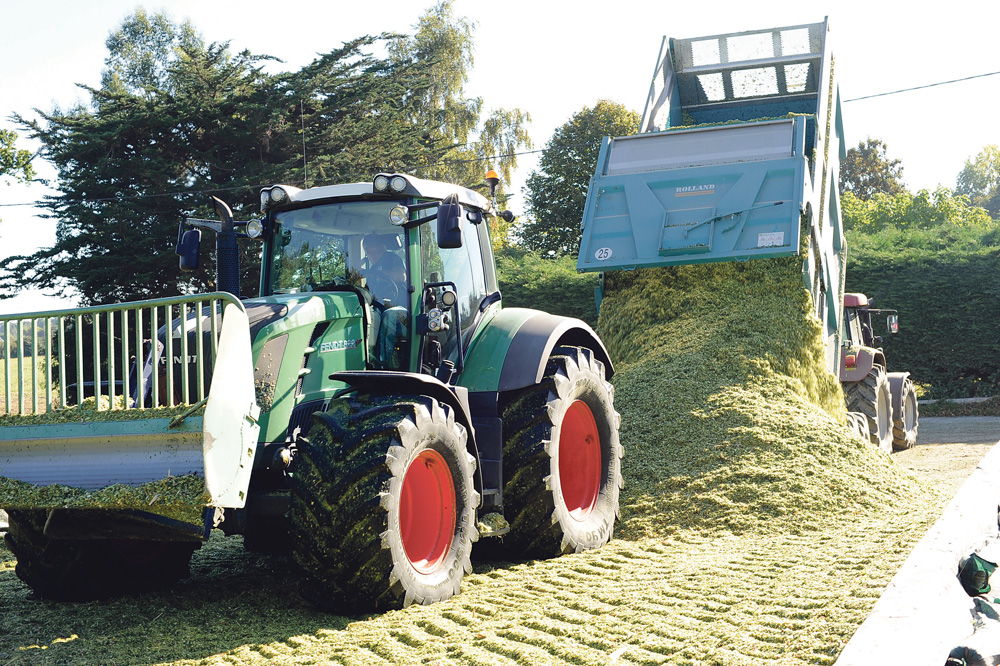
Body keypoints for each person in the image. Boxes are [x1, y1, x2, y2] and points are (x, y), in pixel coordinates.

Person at [361, 233, 406, 302]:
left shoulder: (391, 258)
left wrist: (372, 274)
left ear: (367, 250)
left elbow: (401, 276)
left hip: (397, 305)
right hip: (379, 303)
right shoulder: (374, 268)